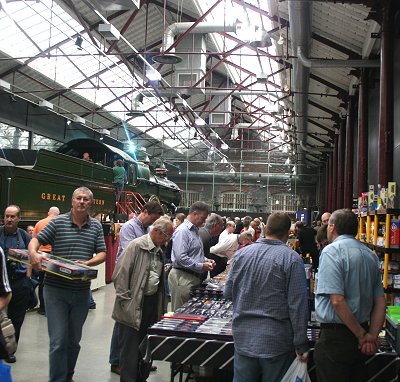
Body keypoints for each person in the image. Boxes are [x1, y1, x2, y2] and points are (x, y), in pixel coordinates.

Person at [28, 187, 107, 382]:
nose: (81, 202)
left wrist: (88, 263)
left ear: (90, 203)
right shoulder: (58, 222)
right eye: (78, 198)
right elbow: (36, 241)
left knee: (73, 342)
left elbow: (102, 253)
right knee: (58, 341)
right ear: (72, 201)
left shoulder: (96, 226)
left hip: (81, 292)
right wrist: (33, 253)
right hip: (55, 290)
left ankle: (68, 376)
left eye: (85, 199)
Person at [224, 212, 309, 382]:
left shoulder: (242, 255)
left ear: (266, 229)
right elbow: (297, 305)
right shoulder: (292, 259)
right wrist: (301, 343)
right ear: (287, 233)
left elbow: (228, 292)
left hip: (244, 338)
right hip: (276, 342)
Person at [314, 209, 386, 382]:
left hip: (336, 339)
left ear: (332, 227)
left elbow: (337, 301)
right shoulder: (371, 255)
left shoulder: (332, 252)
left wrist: (362, 335)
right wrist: (371, 337)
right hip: (362, 336)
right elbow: (380, 302)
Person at [112, 217, 173, 382]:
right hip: (133, 305)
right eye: (166, 236)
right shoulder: (136, 246)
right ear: (157, 232)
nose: (166, 240)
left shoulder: (159, 251)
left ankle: (141, 377)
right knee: (130, 350)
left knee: (145, 346)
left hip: (151, 304)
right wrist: (126, 302)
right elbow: (120, 275)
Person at [168, 201, 215, 311]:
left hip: (191, 278)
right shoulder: (183, 231)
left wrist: (207, 260)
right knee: (180, 314)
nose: (204, 222)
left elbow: (195, 254)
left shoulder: (194, 230)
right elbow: (181, 258)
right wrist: (201, 266)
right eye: (202, 218)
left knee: (189, 313)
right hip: (182, 278)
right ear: (194, 214)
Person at [0, 205, 31, 363]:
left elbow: (31, 258)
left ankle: (10, 350)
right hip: (0, 283)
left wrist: (28, 280)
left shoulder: (25, 236)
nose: (9, 219)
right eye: (7, 216)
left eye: (13, 217)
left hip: (19, 283)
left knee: (16, 319)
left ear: (19, 218)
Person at [32, 206, 60, 315]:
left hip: (41, 255)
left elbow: (34, 239)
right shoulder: (59, 223)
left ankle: (42, 308)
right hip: (53, 255)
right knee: (54, 282)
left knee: (42, 281)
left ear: (48, 212)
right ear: (58, 214)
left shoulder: (39, 223)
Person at [199, 213, 224, 278]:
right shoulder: (206, 236)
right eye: (221, 226)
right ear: (216, 226)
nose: (222, 229)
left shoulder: (201, 231)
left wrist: (207, 260)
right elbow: (199, 257)